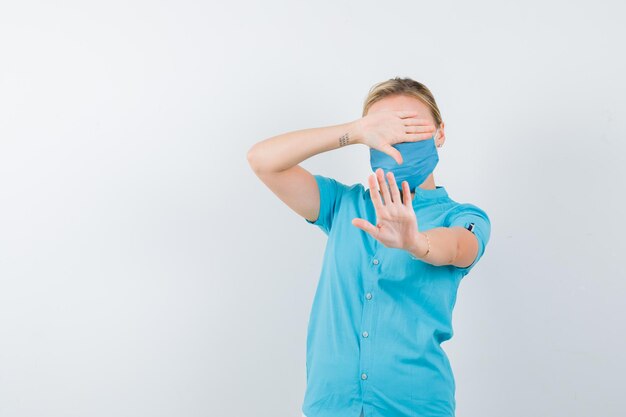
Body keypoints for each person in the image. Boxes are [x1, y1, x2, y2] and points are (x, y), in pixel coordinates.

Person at [246, 77, 492, 417]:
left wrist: (415, 242)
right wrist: (354, 130)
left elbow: (458, 247)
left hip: (415, 407)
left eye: (410, 125)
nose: (398, 137)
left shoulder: (461, 216)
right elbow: (263, 160)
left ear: (440, 133)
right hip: (331, 406)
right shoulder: (341, 204)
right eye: (385, 129)